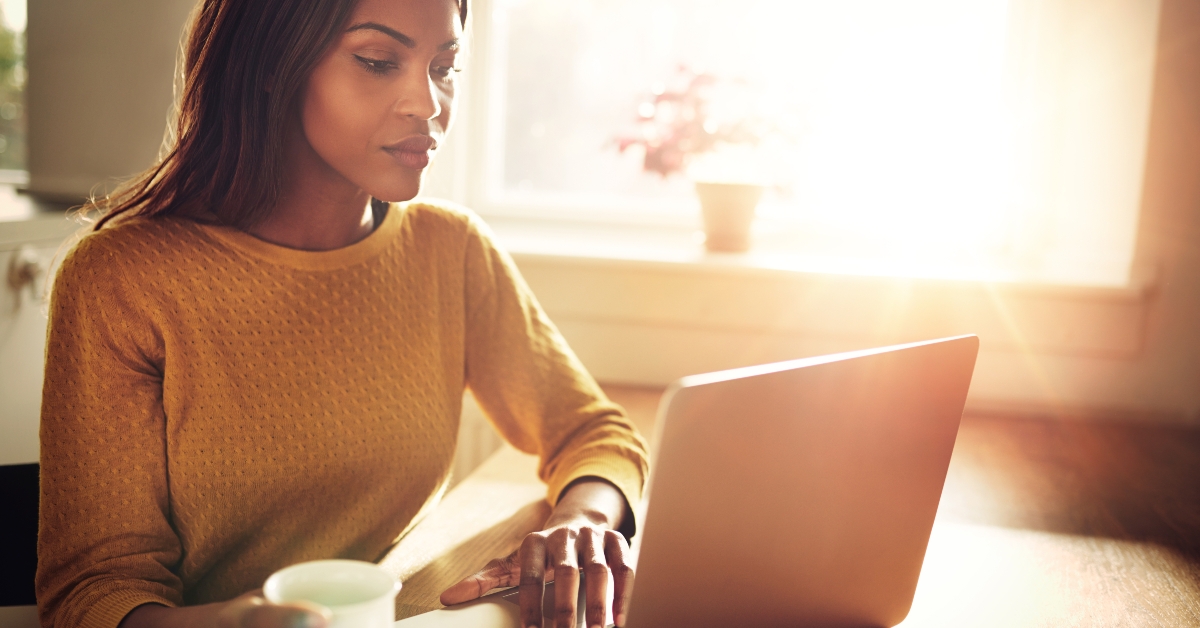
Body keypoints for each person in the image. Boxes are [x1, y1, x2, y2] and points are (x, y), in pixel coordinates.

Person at [34, 0, 650, 627]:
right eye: (378, 61)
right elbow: (92, 592)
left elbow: (594, 435)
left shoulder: (450, 250)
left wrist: (583, 522)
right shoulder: (121, 280)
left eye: (444, 67)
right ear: (273, 63)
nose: (428, 104)